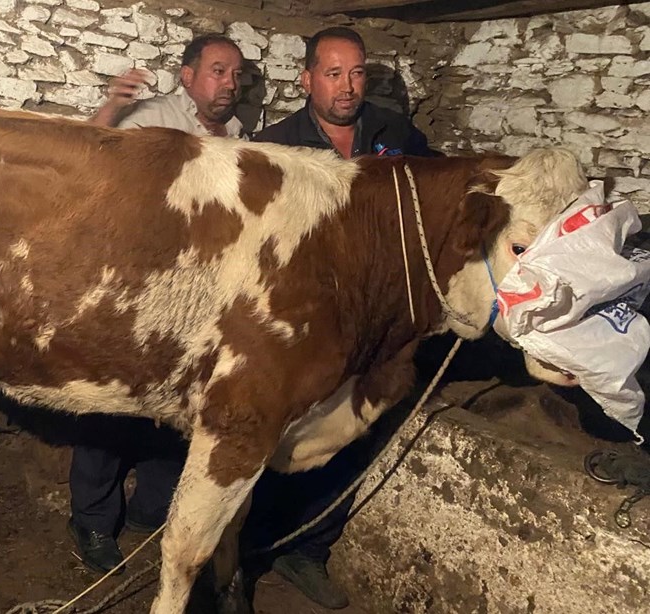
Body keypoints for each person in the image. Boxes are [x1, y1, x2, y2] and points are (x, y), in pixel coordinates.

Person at [245, 26, 437, 610]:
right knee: (280, 428)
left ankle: (310, 550)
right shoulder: (275, 145)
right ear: (306, 79)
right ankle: (251, 547)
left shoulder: (394, 133)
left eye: (356, 73)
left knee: (350, 426)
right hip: (298, 316)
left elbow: (430, 199)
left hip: (374, 311)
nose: (348, 86)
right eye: (333, 73)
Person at [65, 33, 246, 575]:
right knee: (104, 407)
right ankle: (92, 522)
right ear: (188, 76)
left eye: (236, 75)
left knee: (175, 411)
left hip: (196, 299)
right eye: (218, 71)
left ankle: (147, 512)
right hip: (129, 288)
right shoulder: (152, 115)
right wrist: (111, 108)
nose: (229, 85)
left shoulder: (239, 136)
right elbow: (83, 159)